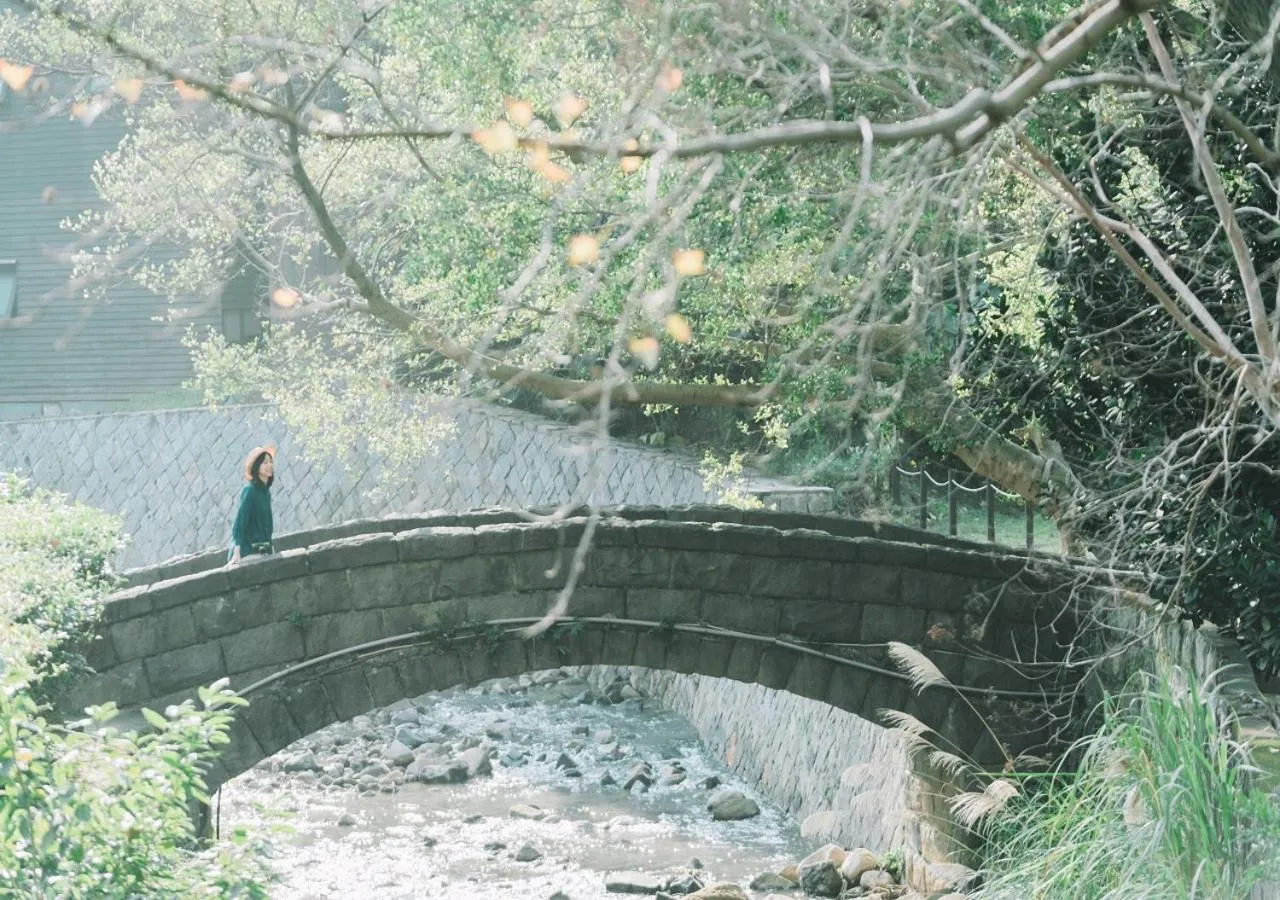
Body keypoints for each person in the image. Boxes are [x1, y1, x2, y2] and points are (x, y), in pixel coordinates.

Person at [228, 443, 276, 565]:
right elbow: (240, 520)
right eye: (264, 463)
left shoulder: (265, 492)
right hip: (248, 551)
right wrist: (237, 550)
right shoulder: (250, 491)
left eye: (270, 462)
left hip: (263, 549)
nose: (269, 465)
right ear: (256, 467)